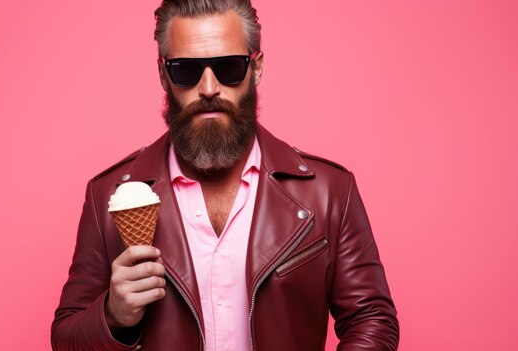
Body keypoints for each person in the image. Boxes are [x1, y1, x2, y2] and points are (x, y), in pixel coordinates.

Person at [51, 0, 399, 350]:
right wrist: (112, 315)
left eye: (229, 67)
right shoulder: (107, 197)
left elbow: (371, 320)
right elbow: (66, 339)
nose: (208, 88)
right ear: (162, 75)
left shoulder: (328, 192)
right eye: (185, 71)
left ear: (257, 67)